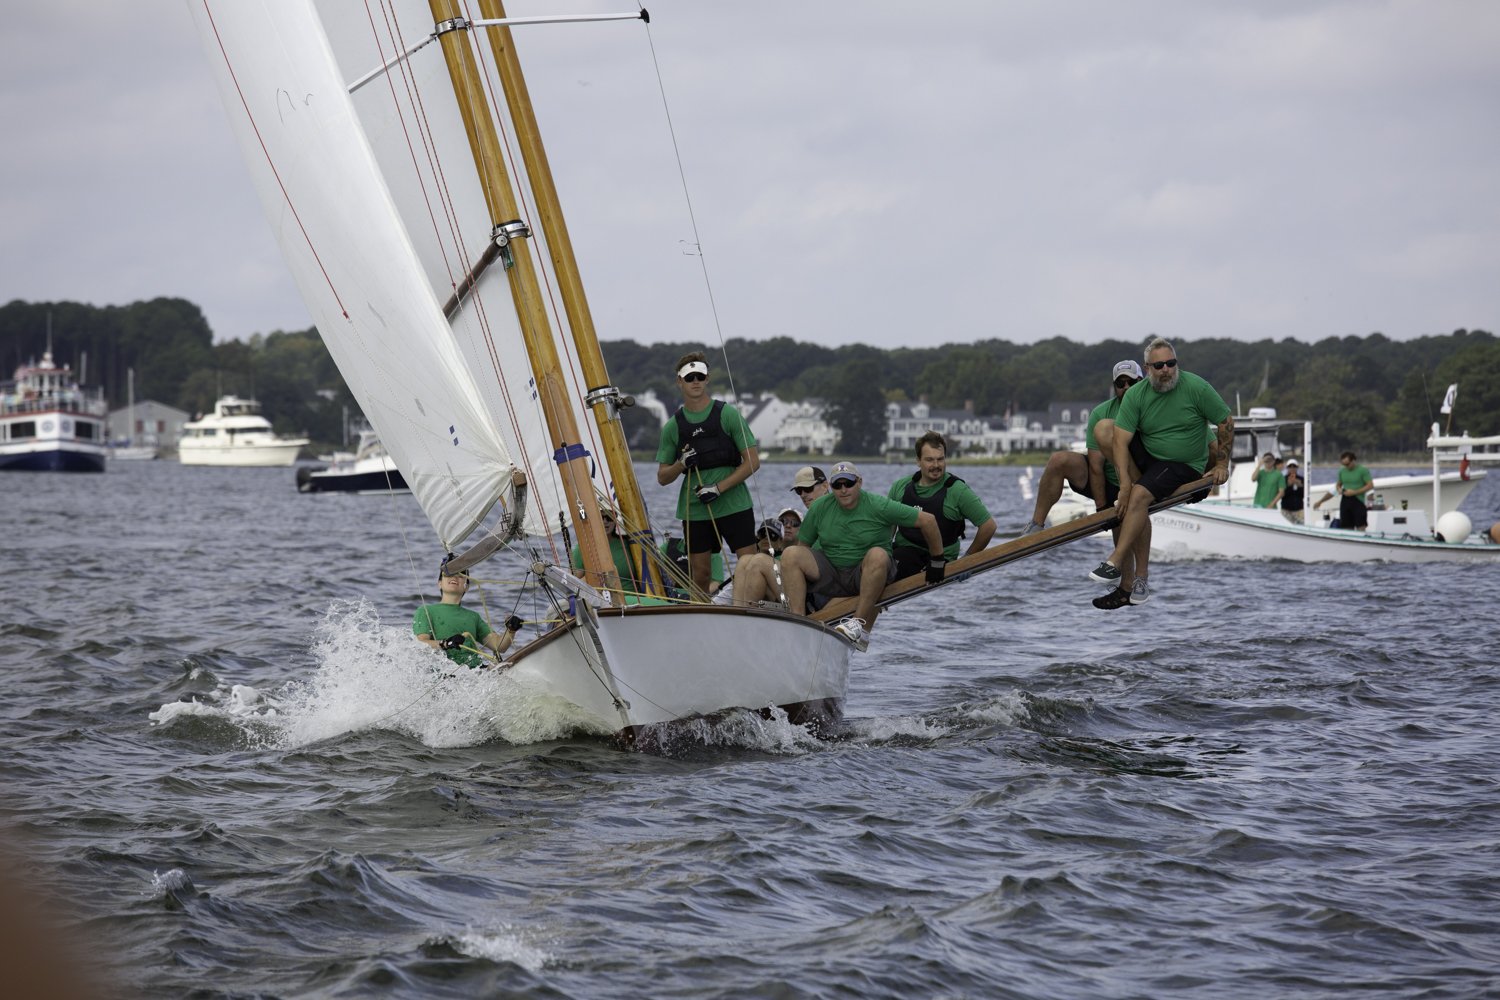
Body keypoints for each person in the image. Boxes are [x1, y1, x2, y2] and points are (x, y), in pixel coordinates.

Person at [1090, 338, 1232, 605]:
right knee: (1104, 429)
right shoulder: (1137, 394)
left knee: (1140, 496)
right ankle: (1128, 583)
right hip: (1151, 460)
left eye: (1171, 363)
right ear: (1147, 368)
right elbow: (1120, 441)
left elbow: (1225, 421)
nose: (1166, 369)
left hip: (1184, 463)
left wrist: (1221, 465)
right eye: (1159, 365)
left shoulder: (1196, 387)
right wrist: (1123, 484)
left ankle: (1119, 564)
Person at [779, 461, 943, 650]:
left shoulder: (879, 505)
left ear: (859, 482)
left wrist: (937, 561)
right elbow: (803, 547)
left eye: (848, 483)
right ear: (830, 487)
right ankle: (798, 624)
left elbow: (928, 521)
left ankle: (860, 628)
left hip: (865, 573)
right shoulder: (820, 507)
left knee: (877, 555)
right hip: (832, 573)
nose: (843, 490)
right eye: (837, 485)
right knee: (791, 554)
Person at [655, 352, 760, 595]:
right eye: (689, 377)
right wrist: (681, 463)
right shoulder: (673, 426)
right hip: (695, 508)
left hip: (734, 503)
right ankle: (699, 616)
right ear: (679, 382)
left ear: (707, 379)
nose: (695, 381)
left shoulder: (728, 415)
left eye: (700, 376)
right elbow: (662, 477)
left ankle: (749, 611)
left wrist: (718, 489)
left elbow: (752, 462)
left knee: (749, 565)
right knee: (700, 574)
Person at [1022, 359, 1143, 535]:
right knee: (1058, 460)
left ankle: (1122, 560)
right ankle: (1036, 524)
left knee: (1123, 540)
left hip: (1139, 482)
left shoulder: (1152, 409)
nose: (1126, 387)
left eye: (1131, 382)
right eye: (1120, 383)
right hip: (1107, 484)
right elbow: (1095, 466)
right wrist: (1102, 509)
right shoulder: (1100, 413)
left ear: (1142, 382)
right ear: (1114, 386)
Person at [887, 431, 996, 578]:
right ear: (918, 461)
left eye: (940, 459)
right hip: (905, 553)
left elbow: (988, 526)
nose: (936, 465)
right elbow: (887, 529)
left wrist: (967, 560)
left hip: (941, 559)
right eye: (930, 460)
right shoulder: (900, 487)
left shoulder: (957, 491)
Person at [414, 563, 523, 668]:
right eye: (449, 573)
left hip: (475, 673)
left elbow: (499, 646)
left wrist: (511, 631)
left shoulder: (473, 616)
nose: (455, 577)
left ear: (467, 587)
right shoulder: (425, 610)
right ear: (439, 583)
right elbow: (421, 644)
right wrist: (445, 643)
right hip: (444, 676)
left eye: (461, 575)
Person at [1314, 451, 1374, 530]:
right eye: (1344, 464)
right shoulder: (1342, 471)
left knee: (1361, 526)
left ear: (1353, 461)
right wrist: (1339, 489)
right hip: (1345, 501)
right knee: (1346, 526)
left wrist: (1354, 492)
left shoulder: (1363, 470)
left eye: (1347, 464)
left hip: (1358, 501)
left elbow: (1370, 485)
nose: (1346, 466)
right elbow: (1338, 484)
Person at [1280, 459, 1305, 524]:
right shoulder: (1283, 479)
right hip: (1286, 510)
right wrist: (1288, 485)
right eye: (1290, 466)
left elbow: (1304, 495)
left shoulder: (1301, 479)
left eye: (1294, 466)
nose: (1292, 468)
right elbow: (1282, 495)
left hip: (1299, 509)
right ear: (1287, 468)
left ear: (1297, 468)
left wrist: (1300, 485)